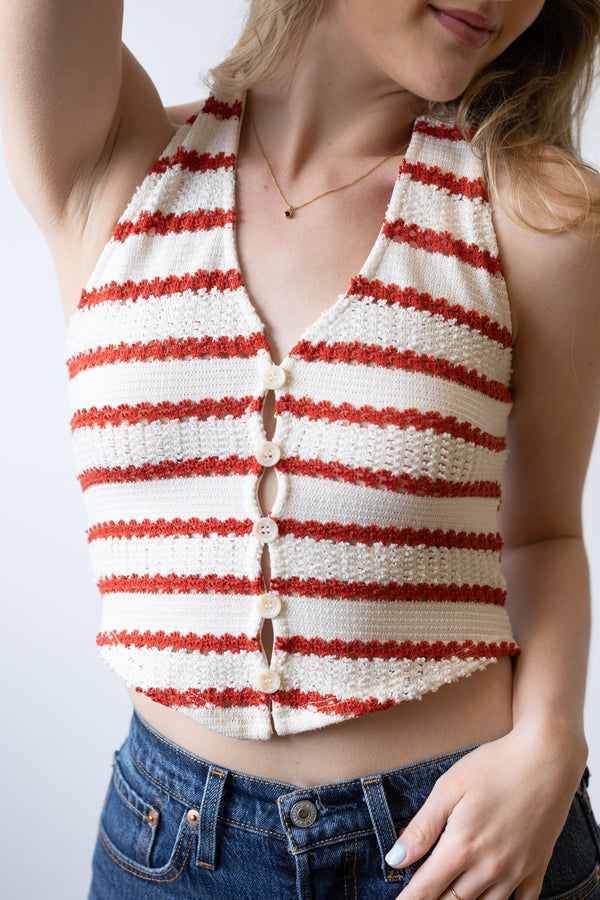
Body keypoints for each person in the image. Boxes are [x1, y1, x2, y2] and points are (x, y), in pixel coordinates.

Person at [1, 1, 600, 897]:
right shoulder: (111, 162)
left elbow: (543, 534)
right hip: (169, 854)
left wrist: (551, 740)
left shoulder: (536, 215)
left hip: (465, 844)